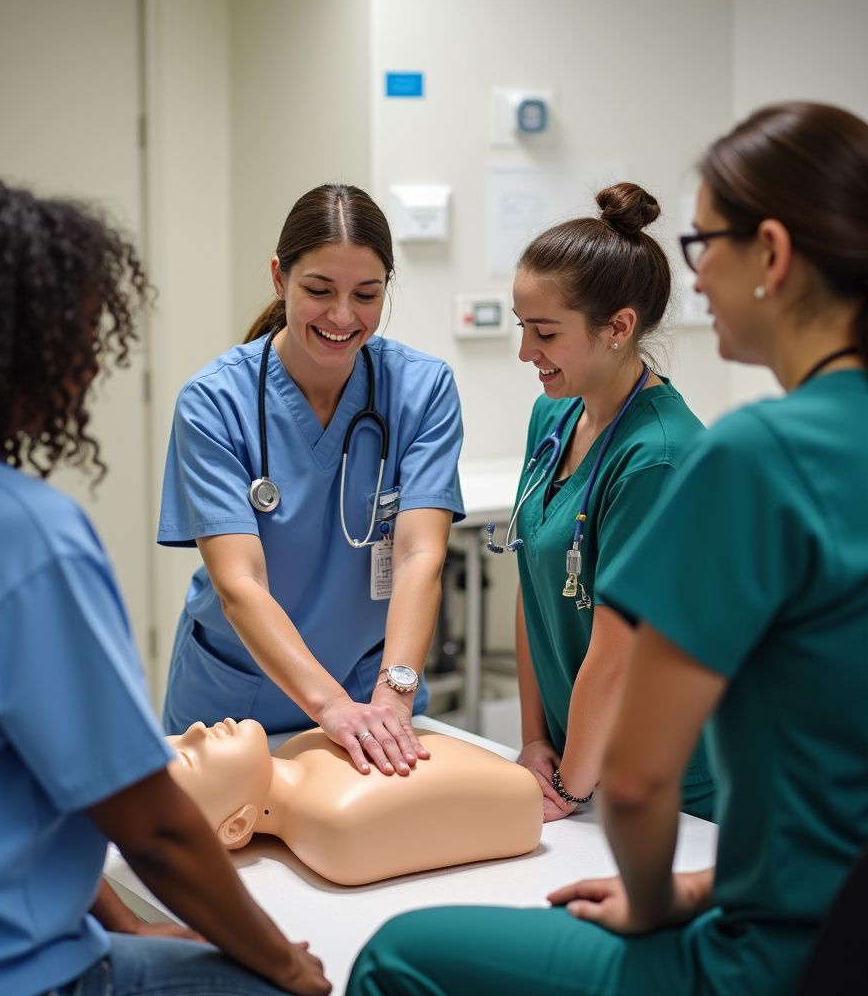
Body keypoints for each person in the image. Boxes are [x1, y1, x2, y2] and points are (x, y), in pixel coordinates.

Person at [345, 100, 868, 995]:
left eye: (705, 248)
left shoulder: (743, 454)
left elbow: (634, 779)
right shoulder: (768, 450)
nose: (694, 283)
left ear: (772, 255)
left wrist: (660, 894)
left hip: (773, 955)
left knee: (395, 954)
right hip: (818, 911)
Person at [0, 172, 329, 996]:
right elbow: (152, 825)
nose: (88, 361)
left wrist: (128, 923)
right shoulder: (22, 535)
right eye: (76, 334)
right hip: (14, 975)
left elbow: (23, 778)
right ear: (10, 343)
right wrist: (284, 964)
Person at [158, 184, 464, 777]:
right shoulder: (215, 403)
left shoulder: (422, 391)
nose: (343, 316)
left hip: (376, 694)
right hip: (237, 708)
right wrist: (330, 708)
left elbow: (419, 555)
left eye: (366, 295)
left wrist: (394, 694)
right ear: (280, 278)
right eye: (319, 291)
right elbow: (239, 582)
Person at [485, 182, 715, 822]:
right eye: (522, 327)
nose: (526, 351)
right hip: (572, 763)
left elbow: (619, 655)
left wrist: (572, 789)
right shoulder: (552, 417)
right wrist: (535, 741)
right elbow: (533, 584)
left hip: (660, 793)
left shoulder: (659, 457)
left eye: (546, 332)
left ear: (619, 327)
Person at [164, 718, 541, 886]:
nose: (196, 730)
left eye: (179, 737)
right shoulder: (336, 819)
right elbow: (520, 793)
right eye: (188, 756)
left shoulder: (300, 747)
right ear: (236, 826)